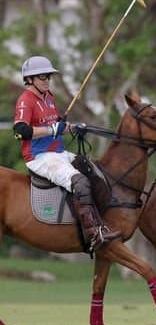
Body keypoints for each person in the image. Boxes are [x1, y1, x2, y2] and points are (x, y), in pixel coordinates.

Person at [11, 55, 120, 249]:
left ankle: (102, 223)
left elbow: (57, 124)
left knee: (93, 171)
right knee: (81, 182)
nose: (46, 80)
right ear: (29, 79)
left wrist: (72, 127)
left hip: (58, 152)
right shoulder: (25, 100)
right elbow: (20, 132)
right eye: (42, 77)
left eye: (48, 77)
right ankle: (93, 233)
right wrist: (51, 130)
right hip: (39, 157)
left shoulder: (49, 98)